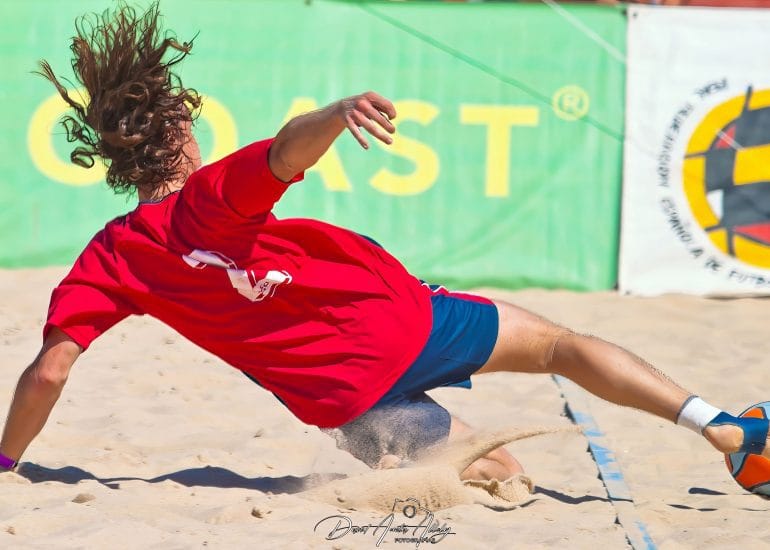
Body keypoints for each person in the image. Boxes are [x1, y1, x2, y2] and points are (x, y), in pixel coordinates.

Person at [1, 3, 767, 484]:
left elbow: (50, 371)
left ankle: (492, 477)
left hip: (338, 397)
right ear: (177, 134)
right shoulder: (207, 197)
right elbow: (286, 152)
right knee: (561, 346)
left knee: (499, 471)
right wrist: (337, 111)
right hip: (398, 323)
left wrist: (7, 461)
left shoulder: (107, 258)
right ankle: (723, 429)